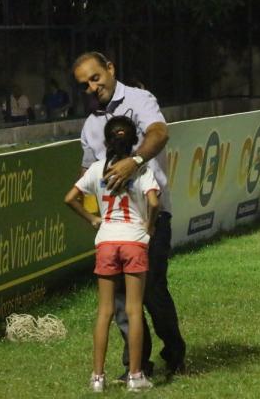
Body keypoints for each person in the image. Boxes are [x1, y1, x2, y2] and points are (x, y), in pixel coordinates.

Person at [73, 51, 186, 380]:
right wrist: (97, 218)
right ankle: (136, 366)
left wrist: (134, 162)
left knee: (151, 291)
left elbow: (159, 133)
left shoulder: (139, 99)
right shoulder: (90, 125)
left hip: (151, 220)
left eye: (96, 78)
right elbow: (86, 174)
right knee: (121, 302)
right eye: (85, 85)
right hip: (115, 229)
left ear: (110, 69)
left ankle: (175, 354)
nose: (93, 87)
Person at [64, 116, 158, 392]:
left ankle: (97, 378)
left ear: (106, 142)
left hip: (106, 241)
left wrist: (93, 219)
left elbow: (70, 198)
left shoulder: (95, 169)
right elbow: (154, 201)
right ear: (134, 141)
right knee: (134, 310)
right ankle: (135, 376)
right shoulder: (141, 171)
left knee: (104, 312)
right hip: (134, 242)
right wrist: (150, 226)